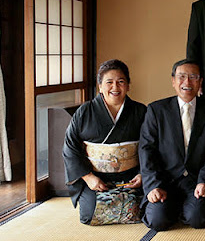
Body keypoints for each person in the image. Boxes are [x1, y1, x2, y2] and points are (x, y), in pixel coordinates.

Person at [139, 59, 205, 231]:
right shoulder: (156, 110)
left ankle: (184, 208)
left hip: (196, 181)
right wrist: (154, 185)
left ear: (200, 82)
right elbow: (147, 151)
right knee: (158, 221)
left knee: (198, 219)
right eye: (182, 77)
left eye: (193, 77)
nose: (187, 82)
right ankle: (173, 209)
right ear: (173, 81)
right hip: (165, 180)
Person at [63, 59, 147, 225]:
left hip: (132, 178)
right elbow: (70, 147)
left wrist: (143, 174)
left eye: (121, 82)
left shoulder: (141, 111)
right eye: (109, 82)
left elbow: (152, 146)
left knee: (147, 212)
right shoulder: (85, 111)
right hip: (97, 178)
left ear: (128, 85)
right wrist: (88, 178)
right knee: (89, 216)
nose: (115, 87)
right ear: (100, 86)